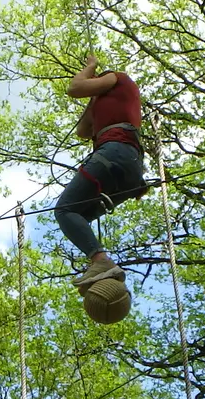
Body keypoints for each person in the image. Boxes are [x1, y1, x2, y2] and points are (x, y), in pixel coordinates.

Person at [57, 56, 146, 287]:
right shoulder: (106, 101)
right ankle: (101, 268)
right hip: (129, 168)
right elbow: (83, 130)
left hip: (115, 152)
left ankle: (100, 260)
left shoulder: (117, 78)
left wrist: (90, 69)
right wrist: (95, 101)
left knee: (65, 210)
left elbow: (75, 88)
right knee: (79, 217)